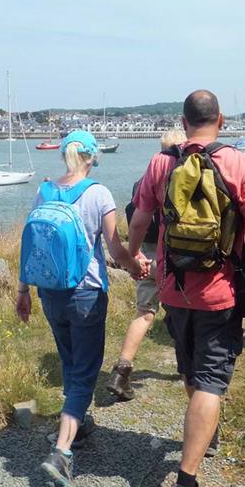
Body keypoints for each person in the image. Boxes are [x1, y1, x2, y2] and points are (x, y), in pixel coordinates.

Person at [129, 91, 245, 487]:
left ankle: (206, 428)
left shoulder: (161, 162)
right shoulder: (237, 162)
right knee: (210, 382)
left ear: (183, 121)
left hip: (174, 288)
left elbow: (140, 216)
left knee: (191, 372)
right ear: (219, 120)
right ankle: (185, 484)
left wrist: (133, 254)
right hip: (220, 292)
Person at [15, 131, 148, 487]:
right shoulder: (99, 193)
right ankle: (61, 453)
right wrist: (136, 266)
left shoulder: (44, 191)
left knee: (71, 362)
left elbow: (30, 246)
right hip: (86, 293)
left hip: (50, 292)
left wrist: (23, 290)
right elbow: (115, 248)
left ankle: (77, 421)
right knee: (85, 372)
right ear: (92, 157)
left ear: (64, 156)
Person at [106, 128, 186, 402]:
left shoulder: (144, 179)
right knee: (181, 312)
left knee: (144, 313)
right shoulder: (187, 178)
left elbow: (137, 219)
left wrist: (134, 257)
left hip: (144, 256)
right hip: (173, 256)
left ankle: (121, 370)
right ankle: (187, 369)